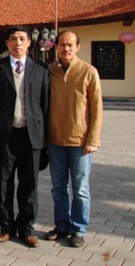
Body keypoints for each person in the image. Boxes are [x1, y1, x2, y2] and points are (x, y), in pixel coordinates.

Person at [0, 26, 49, 248]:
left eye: (22, 39)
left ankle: (26, 228)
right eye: (13, 39)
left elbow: (46, 104)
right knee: (4, 183)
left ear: (29, 42)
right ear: (7, 43)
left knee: (29, 183)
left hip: (32, 135)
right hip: (5, 135)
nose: (18, 43)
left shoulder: (41, 69)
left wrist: (45, 137)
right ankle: (6, 227)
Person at [45, 30, 103, 248]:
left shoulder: (88, 72)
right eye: (62, 44)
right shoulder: (50, 71)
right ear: (56, 47)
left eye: (70, 44)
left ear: (78, 46)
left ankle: (78, 229)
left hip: (80, 142)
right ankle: (61, 225)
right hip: (55, 141)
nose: (66, 48)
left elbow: (97, 109)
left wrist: (93, 139)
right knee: (58, 187)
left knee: (80, 189)